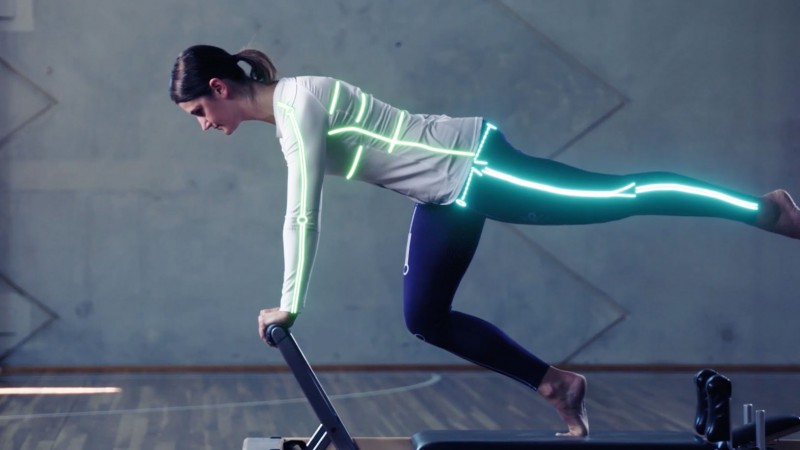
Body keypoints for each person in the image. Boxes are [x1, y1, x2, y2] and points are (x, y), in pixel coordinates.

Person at [169, 44, 800, 437]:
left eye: (200, 112)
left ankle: (763, 209)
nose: (205, 125)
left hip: (476, 167)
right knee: (425, 316)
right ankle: (556, 384)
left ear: (219, 88)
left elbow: (302, 212)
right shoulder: (285, 118)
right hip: (444, 196)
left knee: (619, 196)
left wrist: (290, 303)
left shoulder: (298, 102)